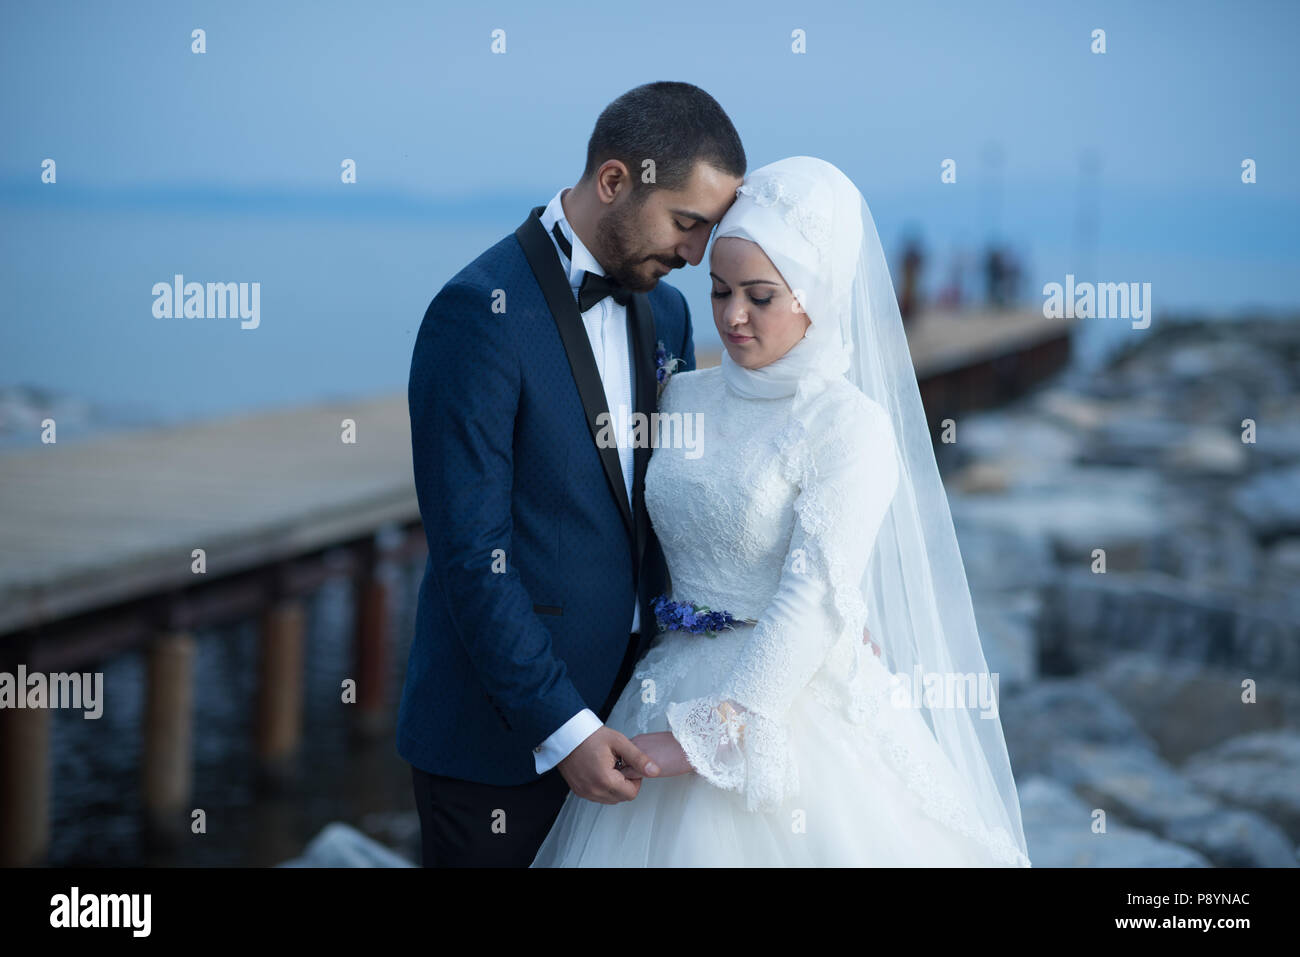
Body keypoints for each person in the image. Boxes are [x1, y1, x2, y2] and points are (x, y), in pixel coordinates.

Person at [531, 157, 1032, 866]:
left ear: (815, 296)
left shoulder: (848, 426)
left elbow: (815, 591)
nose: (734, 316)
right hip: (660, 683)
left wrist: (712, 731)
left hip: (785, 709)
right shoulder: (683, 398)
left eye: (762, 295)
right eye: (719, 290)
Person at [396, 82, 745, 867]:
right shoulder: (474, 314)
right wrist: (564, 728)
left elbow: (674, 503)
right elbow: (469, 558)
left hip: (639, 718)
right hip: (497, 745)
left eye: (707, 231)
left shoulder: (671, 315)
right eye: (686, 223)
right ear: (615, 181)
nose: (696, 255)